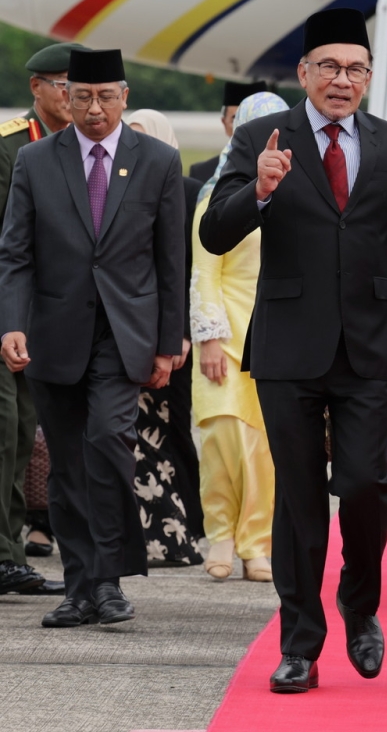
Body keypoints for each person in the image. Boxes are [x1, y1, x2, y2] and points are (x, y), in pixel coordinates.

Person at [201, 8, 387, 694]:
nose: (342, 79)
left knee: (367, 485)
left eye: (355, 68)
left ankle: (359, 604)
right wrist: (259, 190)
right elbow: (214, 232)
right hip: (289, 346)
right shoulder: (262, 137)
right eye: (329, 66)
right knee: (299, 500)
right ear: (303, 73)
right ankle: (300, 642)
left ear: (369, 76)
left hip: (370, 347)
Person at [0, 48, 185, 627]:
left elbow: (171, 260)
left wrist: (170, 340)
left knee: (106, 442)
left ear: (124, 97)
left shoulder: (157, 160)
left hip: (124, 334)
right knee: (66, 467)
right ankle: (81, 588)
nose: (95, 108)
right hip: (55, 333)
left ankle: (108, 580)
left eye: (106, 96)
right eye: (82, 97)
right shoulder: (35, 159)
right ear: (65, 97)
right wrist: (11, 323)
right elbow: (15, 253)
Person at [191, 92, 289, 583]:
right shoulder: (216, 197)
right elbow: (204, 272)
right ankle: (220, 535)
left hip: (276, 335)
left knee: (265, 447)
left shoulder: (295, 193)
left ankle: (256, 543)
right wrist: (209, 337)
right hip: (225, 335)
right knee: (222, 437)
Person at [0, 43, 84, 596]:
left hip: (47, 321)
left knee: (24, 436)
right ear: (37, 88)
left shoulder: (84, 148)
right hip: (7, 314)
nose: (73, 96)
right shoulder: (10, 146)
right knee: (4, 432)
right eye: (63, 85)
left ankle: (9, 554)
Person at [126, 109, 204, 565]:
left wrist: (184, 332)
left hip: (176, 332)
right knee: (135, 434)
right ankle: (146, 528)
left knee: (175, 429)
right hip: (132, 328)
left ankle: (190, 518)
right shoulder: (123, 186)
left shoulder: (189, 190)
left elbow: (189, 267)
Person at [188, 80, 267, 184]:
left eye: (252, 119)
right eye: (235, 119)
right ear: (224, 123)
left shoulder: (282, 170)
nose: (243, 126)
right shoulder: (202, 173)